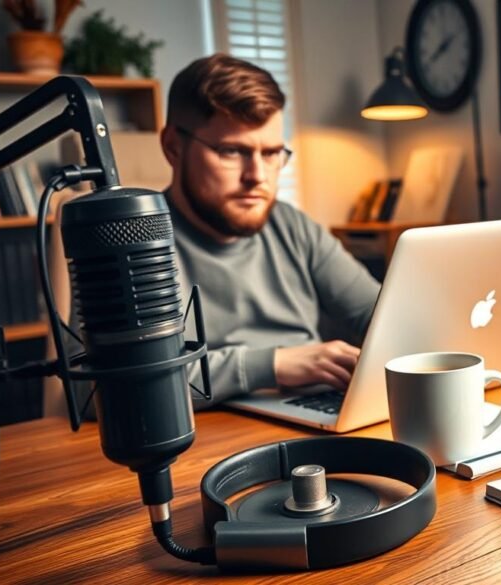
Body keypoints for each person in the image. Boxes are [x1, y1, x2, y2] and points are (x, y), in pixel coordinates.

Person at [155, 54, 381, 408]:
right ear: (173, 147)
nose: (257, 176)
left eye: (272, 152)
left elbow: (379, 315)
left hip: (312, 414)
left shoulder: (291, 225)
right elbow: (123, 387)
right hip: (202, 433)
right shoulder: (137, 241)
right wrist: (273, 364)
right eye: (231, 151)